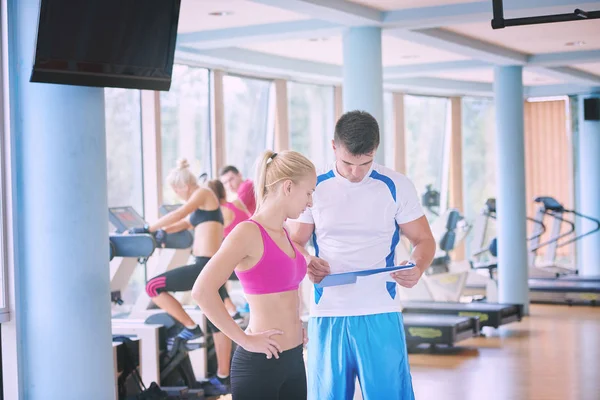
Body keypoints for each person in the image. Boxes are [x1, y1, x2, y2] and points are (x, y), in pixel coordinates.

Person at [287, 110, 436, 400]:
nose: (356, 172)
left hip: (380, 309)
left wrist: (418, 266)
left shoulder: (396, 185)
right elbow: (294, 241)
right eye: (348, 163)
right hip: (328, 312)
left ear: (375, 151)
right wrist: (307, 261)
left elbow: (424, 239)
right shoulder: (314, 187)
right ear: (333, 147)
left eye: (364, 163)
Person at [192, 150, 316, 400]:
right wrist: (243, 340)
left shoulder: (284, 234)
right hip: (261, 363)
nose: (310, 202)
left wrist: (296, 323)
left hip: (293, 359)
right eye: (309, 192)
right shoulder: (248, 232)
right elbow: (202, 291)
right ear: (288, 187)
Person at [129, 159, 236, 396]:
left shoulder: (203, 193)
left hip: (204, 266)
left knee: (152, 286)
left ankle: (190, 326)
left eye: (175, 189)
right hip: (211, 266)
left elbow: (180, 212)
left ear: (182, 186)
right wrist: (161, 233)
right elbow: (182, 223)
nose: (176, 194)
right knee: (218, 322)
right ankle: (223, 377)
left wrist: (147, 229)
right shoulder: (203, 205)